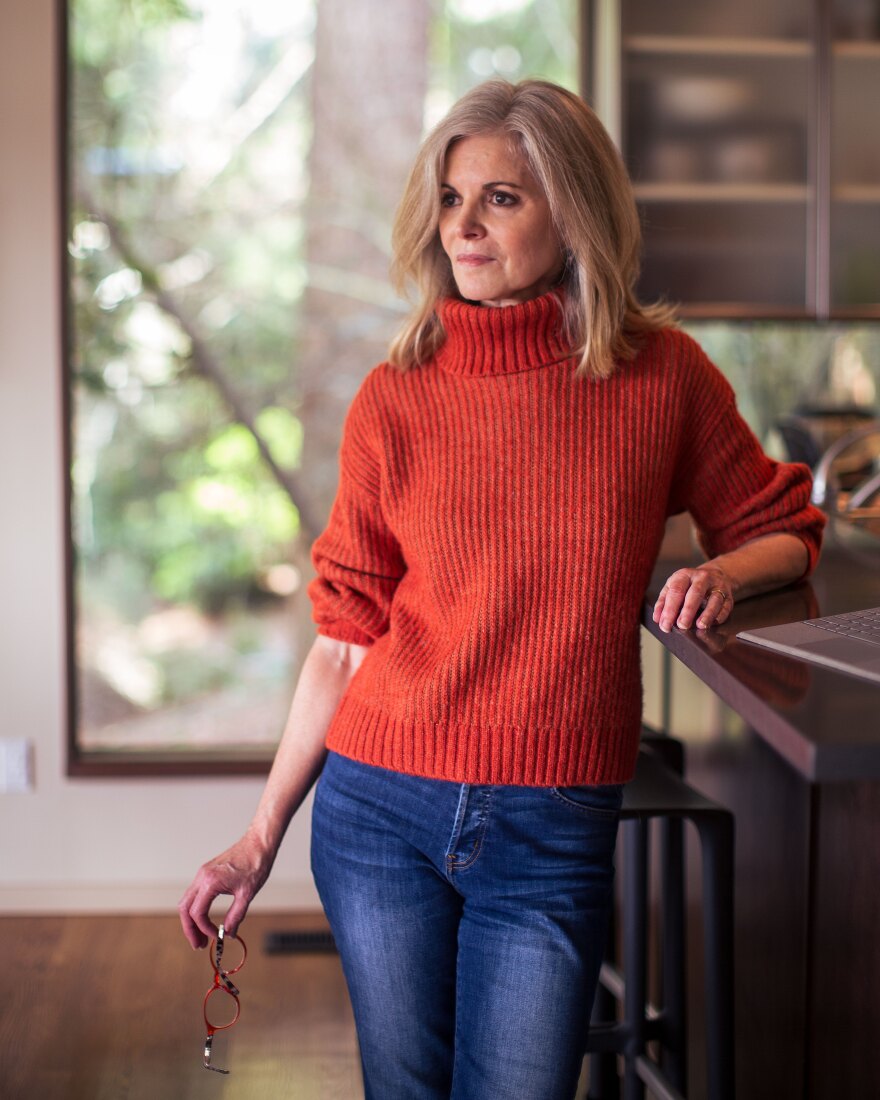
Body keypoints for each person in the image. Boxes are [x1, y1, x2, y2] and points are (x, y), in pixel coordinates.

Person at [179, 78, 825, 1099]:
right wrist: (257, 840)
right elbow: (344, 640)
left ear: (572, 210)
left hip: (550, 819)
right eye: (448, 197)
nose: (462, 226)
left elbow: (783, 528)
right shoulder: (395, 397)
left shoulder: (661, 377)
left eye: (500, 198)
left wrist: (717, 570)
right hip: (377, 809)